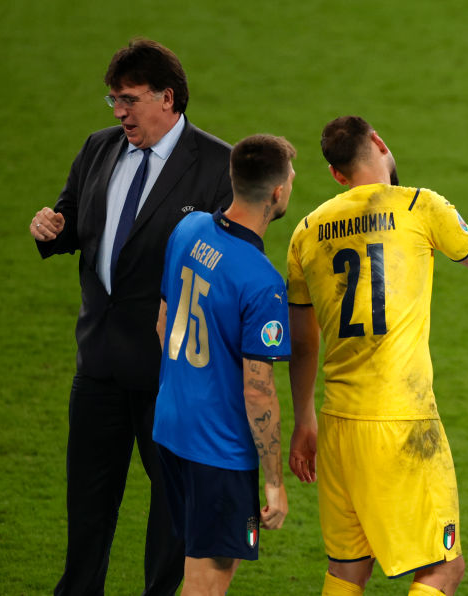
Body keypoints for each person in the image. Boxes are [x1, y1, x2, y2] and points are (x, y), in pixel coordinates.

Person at [285, 115, 468, 596]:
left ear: (337, 175)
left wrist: (303, 421)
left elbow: (302, 342)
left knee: (347, 568)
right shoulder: (420, 206)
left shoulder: (307, 230)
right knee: (444, 569)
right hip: (402, 420)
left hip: (337, 420)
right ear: (379, 142)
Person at [28, 38, 232, 595]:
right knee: (87, 507)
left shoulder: (216, 164)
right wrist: (53, 228)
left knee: (170, 510)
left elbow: (230, 260)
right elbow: (75, 217)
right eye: (113, 100)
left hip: (172, 371)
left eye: (129, 99)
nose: (119, 111)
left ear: (168, 98)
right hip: (97, 363)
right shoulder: (99, 148)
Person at [152, 134, 295, 595]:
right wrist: (274, 482)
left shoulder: (189, 229)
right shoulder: (263, 282)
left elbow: (162, 324)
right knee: (208, 583)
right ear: (277, 193)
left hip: (171, 430)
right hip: (219, 452)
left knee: (196, 565)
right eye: (290, 178)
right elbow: (258, 390)